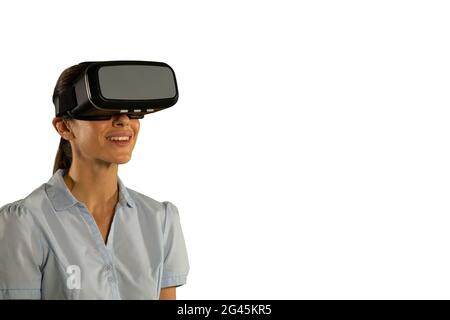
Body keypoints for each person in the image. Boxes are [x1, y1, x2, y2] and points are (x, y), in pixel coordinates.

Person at [0, 62, 190, 299]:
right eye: (104, 111)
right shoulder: (24, 223)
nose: (123, 121)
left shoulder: (160, 220)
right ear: (64, 127)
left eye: (131, 112)